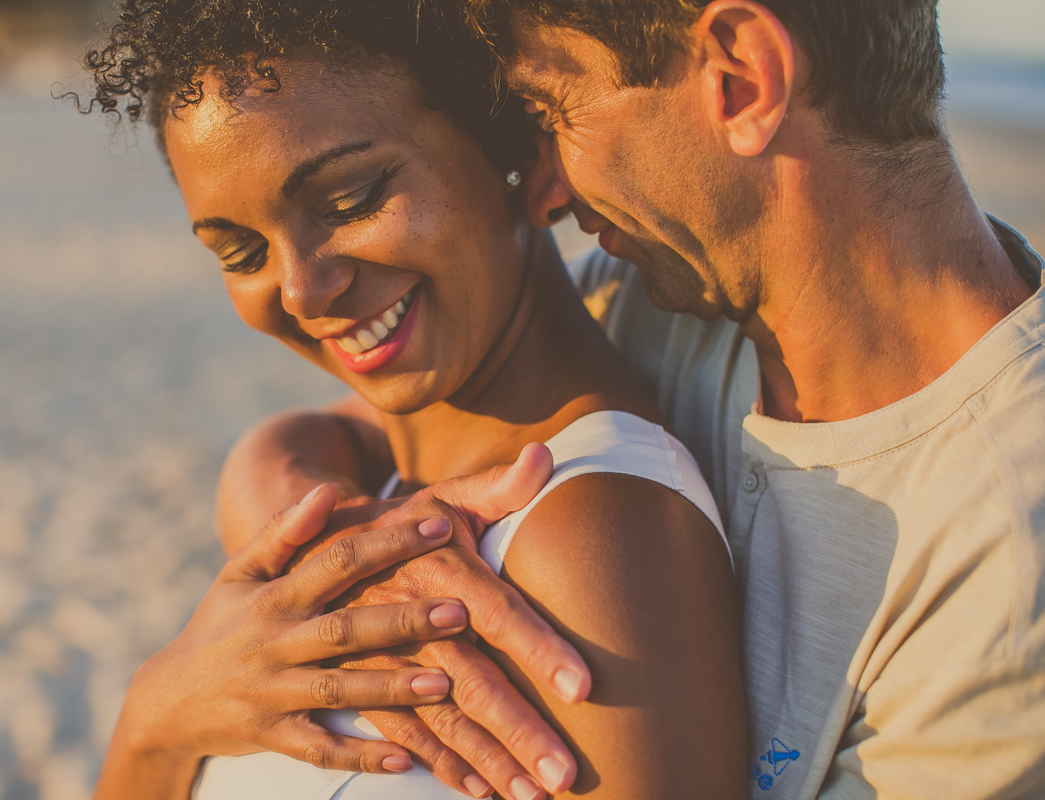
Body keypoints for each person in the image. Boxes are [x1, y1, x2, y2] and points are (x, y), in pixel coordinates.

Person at [215, 0, 1045, 798]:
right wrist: (347, 553)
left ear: (741, 79)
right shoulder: (657, 296)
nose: (546, 195)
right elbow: (337, 436)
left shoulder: (1004, 573)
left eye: (550, 109)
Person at [82, 1, 747, 799]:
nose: (302, 290)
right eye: (241, 251)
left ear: (528, 160)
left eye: (350, 198)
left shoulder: (591, 542)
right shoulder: (363, 514)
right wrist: (155, 719)